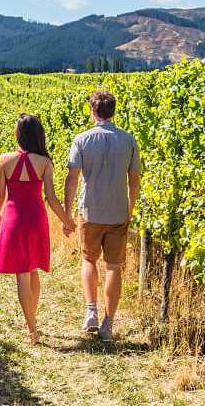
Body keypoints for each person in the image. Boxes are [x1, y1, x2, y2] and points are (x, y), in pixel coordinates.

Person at [64, 90, 142, 342]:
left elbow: (72, 179)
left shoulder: (82, 140)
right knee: (114, 268)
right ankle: (108, 323)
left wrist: (67, 213)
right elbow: (134, 180)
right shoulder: (129, 140)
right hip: (118, 211)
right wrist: (129, 209)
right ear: (114, 112)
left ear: (93, 111)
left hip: (90, 211)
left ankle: (91, 311)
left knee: (88, 260)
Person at [0, 113, 77, 344]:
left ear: (18, 135)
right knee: (33, 270)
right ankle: (32, 317)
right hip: (36, 220)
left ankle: (32, 329)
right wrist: (67, 221)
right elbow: (51, 198)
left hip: (14, 219)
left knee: (22, 273)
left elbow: (0, 194)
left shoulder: (4, 160)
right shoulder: (44, 163)